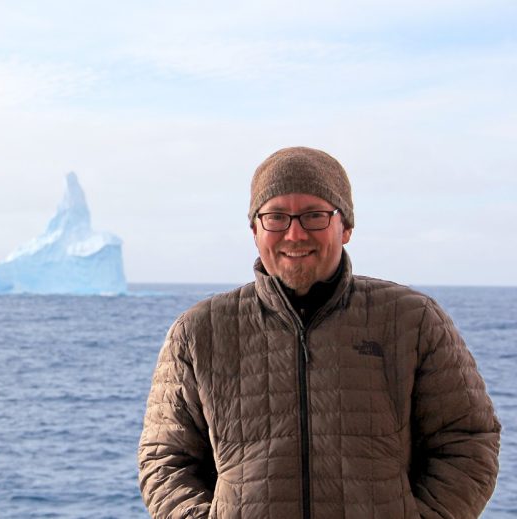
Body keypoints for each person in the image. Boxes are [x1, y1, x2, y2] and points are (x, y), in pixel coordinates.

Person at [137, 147, 501, 519]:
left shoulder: (413, 320)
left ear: (345, 228)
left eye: (314, 216)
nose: (294, 234)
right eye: (276, 217)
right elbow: (165, 459)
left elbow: (467, 439)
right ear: (255, 230)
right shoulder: (199, 331)